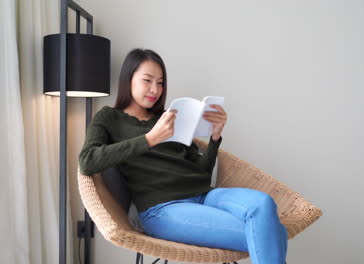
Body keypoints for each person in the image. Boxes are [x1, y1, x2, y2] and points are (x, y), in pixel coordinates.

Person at [78, 48, 288, 264]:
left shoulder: (170, 117)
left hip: (205, 196)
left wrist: (215, 138)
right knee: (272, 233)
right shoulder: (109, 117)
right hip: (162, 208)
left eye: (160, 82)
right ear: (128, 79)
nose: (155, 89)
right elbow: (87, 162)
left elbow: (202, 172)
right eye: (147, 80)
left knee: (263, 204)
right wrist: (150, 139)